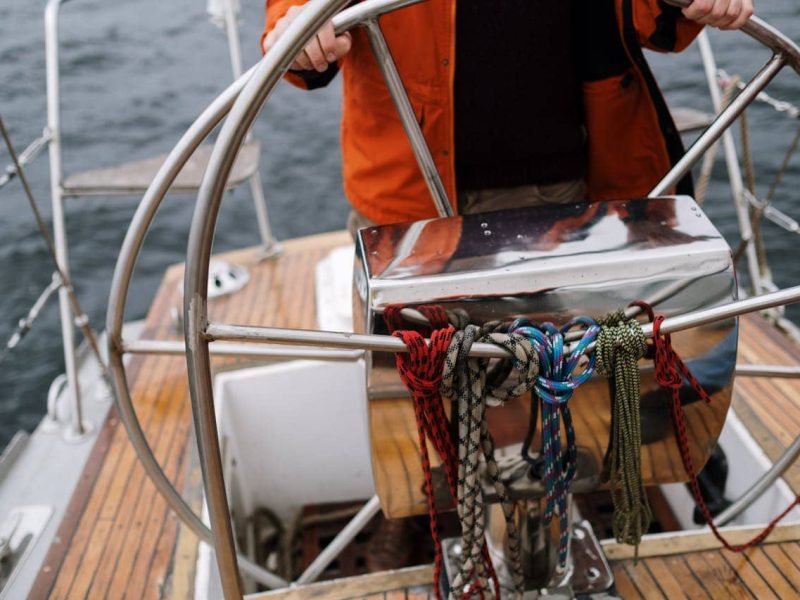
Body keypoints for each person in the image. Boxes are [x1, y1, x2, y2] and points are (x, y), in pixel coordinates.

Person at [261, 0, 752, 234]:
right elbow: (296, 25)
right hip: (407, 204)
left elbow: (654, 18)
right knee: (418, 389)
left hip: (564, 192)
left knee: (562, 384)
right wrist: (299, 29)